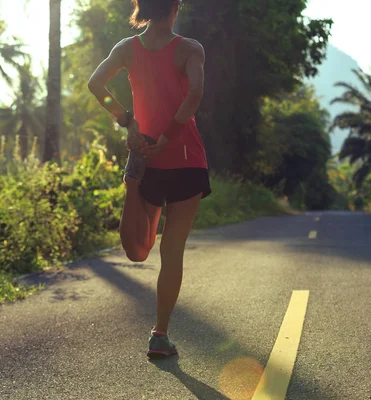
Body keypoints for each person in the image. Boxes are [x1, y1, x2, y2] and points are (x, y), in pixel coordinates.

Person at [88, 0, 210, 359]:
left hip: (143, 156)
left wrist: (128, 122)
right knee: (171, 251)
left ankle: (131, 186)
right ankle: (160, 334)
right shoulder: (189, 48)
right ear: (174, 8)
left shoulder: (126, 49)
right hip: (185, 157)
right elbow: (196, 93)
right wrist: (168, 137)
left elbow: (96, 84)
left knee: (138, 251)